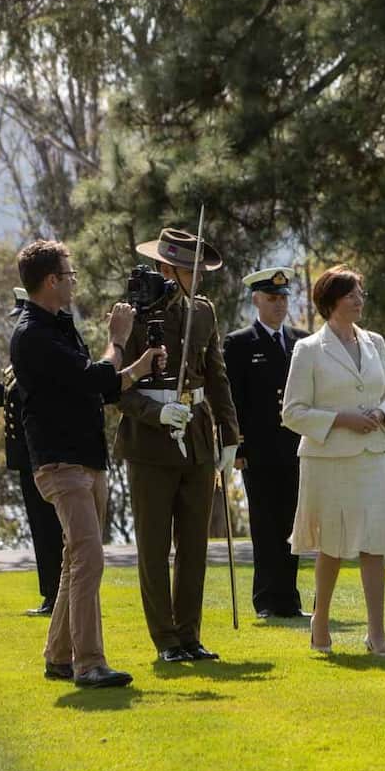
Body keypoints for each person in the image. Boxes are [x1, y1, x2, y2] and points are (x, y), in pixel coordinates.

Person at [11, 240, 164, 687]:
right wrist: (117, 340)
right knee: (90, 558)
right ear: (52, 280)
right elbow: (94, 377)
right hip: (61, 464)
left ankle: (58, 655)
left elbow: (103, 384)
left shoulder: (59, 325)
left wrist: (138, 365)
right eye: (70, 274)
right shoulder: (32, 334)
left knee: (75, 559)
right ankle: (89, 663)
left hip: (86, 459)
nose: (74, 281)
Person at [114, 228, 240, 662]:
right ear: (165, 268)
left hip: (199, 438)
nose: (196, 278)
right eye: (188, 270)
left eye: (199, 271)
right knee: (154, 547)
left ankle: (189, 636)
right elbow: (116, 388)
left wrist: (230, 436)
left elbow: (217, 377)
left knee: (194, 546)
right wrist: (156, 413)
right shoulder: (133, 313)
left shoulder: (203, 312)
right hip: (150, 441)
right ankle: (166, 640)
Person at [283, 265, 385, 656]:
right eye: (352, 294)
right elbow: (293, 412)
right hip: (329, 460)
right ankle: (320, 622)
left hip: (373, 457)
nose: (359, 300)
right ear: (331, 301)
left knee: (374, 544)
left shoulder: (376, 343)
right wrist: (341, 419)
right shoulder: (308, 350)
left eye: (361, 293)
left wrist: (381, 414)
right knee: (331, 546)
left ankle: (377, 634)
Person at [223, 267, 309, 619]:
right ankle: (266, 599)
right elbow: (233, 401)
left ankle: (288, 599)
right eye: (272, 298)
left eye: (284, 297)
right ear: (256, 299)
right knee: (264, 524)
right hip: (258, 450)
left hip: (295, 448)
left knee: (293, 525)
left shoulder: (301, 341)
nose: (279, 304)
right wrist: (238, 447)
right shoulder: (240, 343)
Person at [0, 286, 63, 616]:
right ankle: (50, 594)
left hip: (41, 456)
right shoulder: (17, 365)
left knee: (50, 529)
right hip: (26, 459)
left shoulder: (37, 357)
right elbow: (2, 394)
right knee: (40, 529)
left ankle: (57, 595)